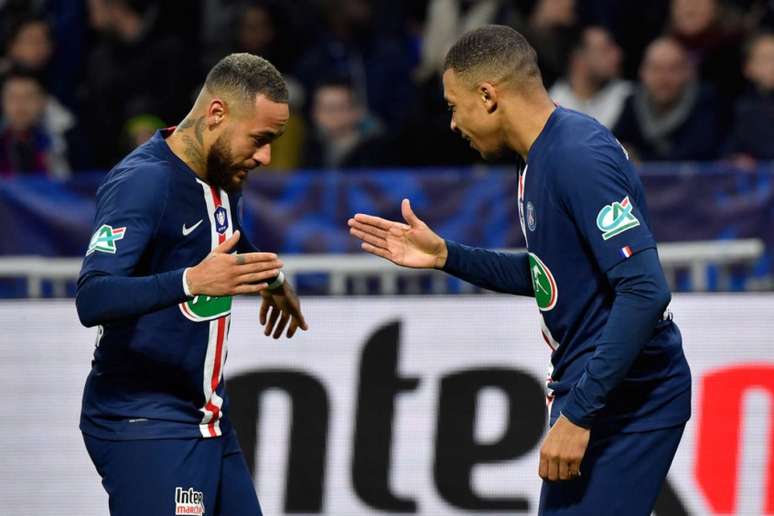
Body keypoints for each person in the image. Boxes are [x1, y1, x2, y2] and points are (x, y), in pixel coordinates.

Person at [348, 25, 691, 515]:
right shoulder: (539, 158)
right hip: (599, 390)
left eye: (453, 105)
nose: (451, 123)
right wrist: (446, 255)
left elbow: (644, 289)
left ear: (487, 96)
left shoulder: (577, 156)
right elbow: (548, 277)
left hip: (628, 397)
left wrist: (580, 413)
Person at [75, 53, 308, 516]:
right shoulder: (144, 183)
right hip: (144, 420)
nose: (265, 157)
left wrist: (271, 276)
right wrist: (190, 280)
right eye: (260, 140)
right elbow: (93, 296)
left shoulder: (223, 171)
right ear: (217, 114)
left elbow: (225, 239)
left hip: (207, 418)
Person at [612, 37, 721, 161]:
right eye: (656, 69)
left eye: (672, 69)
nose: (663, 79)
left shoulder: (705, 102)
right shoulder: (633, 102)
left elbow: (697, 155)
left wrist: (640, 159)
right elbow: (615, 146)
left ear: (687, 72)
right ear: (642, 72)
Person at [549, 26, 631, 128]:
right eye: (605, 50)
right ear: (578, 59)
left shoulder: (627, 96)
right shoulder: (552, 106)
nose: (617, 55)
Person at [726, 32, 774, 163]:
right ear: (748, 68)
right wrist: (737, 160)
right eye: (766, 59)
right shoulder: (743, 109)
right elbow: (730, 152)